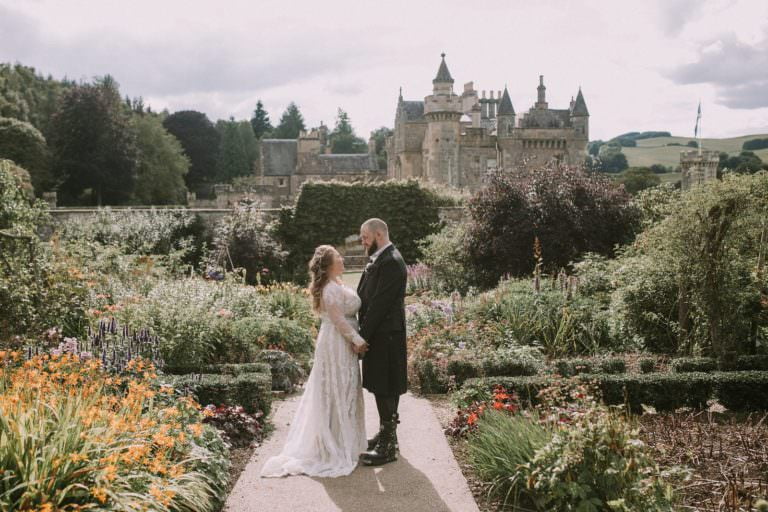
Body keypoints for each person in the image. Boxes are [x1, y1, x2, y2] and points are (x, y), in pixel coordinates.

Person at [260, 245, 369, 478]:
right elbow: (339, 320)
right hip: (336, 343)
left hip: (343, 341)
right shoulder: (329, 289)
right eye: (338, 257)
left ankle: (345, 440)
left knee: (345, 386)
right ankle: (332, 445)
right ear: (329, 265)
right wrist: (357, 339)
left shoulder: (337, 283)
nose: (342, 259)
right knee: (335, 388)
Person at [357, 218, 408, 466]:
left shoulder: (391, 262)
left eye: (365, 237)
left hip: (386, 335)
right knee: (382, 385)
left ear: (378, 234)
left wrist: (360, 337)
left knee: (385, 386)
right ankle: (387, 435)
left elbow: (378, 306)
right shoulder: (381, 258)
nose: (362, 241)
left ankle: (388, 446)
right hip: (383, 334)